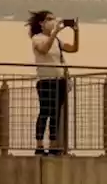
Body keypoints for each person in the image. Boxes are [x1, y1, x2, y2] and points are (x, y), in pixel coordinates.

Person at [27, 10, 80, 155]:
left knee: (56, 113)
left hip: (59, 80)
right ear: (41, 23)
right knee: (45, 112)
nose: (53, 21)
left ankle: (53, 145)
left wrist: (76, 32)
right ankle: (39, 146)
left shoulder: (56, 41)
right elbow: (44, 50)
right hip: (45, 81)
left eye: (54, 19)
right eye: (49, 19)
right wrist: (54, 33)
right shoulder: (37, 38)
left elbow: (74, 48)